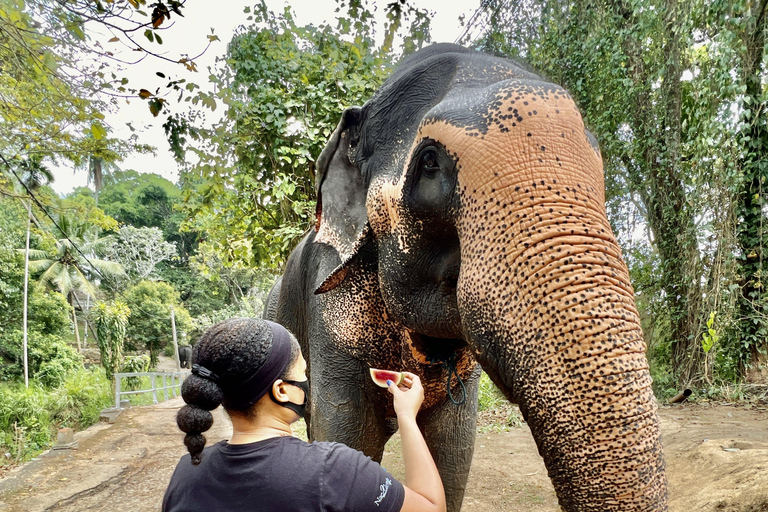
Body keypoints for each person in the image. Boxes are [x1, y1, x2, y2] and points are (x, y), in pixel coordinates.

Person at [162, 318, 446, 512]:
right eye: (303, 373)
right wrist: (407, 416)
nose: (307, 382)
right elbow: (432, 507)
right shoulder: (333, 469)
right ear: (282, 391)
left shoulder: (187, 472)